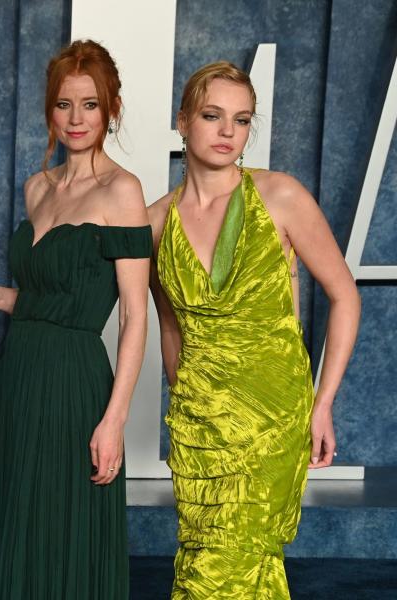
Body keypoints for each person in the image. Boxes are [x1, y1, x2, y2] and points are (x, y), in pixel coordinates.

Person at [147, 61, 360, 599]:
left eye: (242, 121)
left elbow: (344, 296)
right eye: (212, 115)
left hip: (271, 415)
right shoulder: (153, 222)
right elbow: (169, 328)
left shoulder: (280, 195)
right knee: (208, 556)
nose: (227, 133)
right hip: (199, 422)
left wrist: (323, 402)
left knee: (228, 562)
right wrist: (185, 407)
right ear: (182, 121)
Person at [0, 40, 151, 598]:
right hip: (22, 373)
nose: (76, 118)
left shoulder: (123, 191)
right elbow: (41, 299)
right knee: (24, 515)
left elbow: (134, 317)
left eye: (90, 104)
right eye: (64, 104)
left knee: (72, 521)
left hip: (77, 380)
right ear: (50, 111)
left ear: (111, 109)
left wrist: (113, 420)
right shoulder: (37, 188)